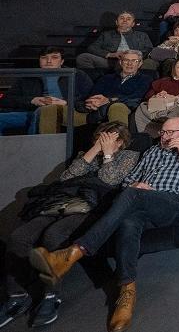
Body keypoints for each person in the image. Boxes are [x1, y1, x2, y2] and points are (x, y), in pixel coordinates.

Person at [29, 116, 179, 332]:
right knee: (128, 221)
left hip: (172, 203)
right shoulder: (152, 152)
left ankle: (74, 252)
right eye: (163, 132)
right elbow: (127, 180)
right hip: (140, 203)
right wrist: (136, 184)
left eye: (170, 132)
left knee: (132, 196)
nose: (164, 137)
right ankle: (127, 293)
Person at [0, 123, 138, 329]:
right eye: (99, 137)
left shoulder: (129, 156)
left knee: (54, 235)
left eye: (108, 138)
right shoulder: (87, 155)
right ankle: (17, 294)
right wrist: (94, 150)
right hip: (62, 203)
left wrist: (108, 154)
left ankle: (50, 295)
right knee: (19, 237)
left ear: (120, 142)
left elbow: (109, 180)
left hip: (93, 207)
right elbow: (65, 178)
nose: (102, 141)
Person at [0, 46, 92, 136]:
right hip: (33, 112)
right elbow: (7, 100)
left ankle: (37, 145)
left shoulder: (77, 75)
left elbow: (90, 98)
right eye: (44, 58)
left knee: (46, 112)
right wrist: (32, 100)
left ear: (62, 61)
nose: (49, 61)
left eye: (54, 57)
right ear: (39, 60)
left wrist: (66, 102)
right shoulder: (28, 77)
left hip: (68, 111)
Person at [133, 58, 179, 136]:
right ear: (173, 70)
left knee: (178, 110)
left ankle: (168, 133)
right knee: (142, 107)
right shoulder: (162, 81)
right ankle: (148, 135)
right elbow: (148, 96)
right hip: (159, 108)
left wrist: (178, 98)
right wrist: (157, 96)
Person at [82, 52, 152, 127]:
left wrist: (109, 100)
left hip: (126, 108)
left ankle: (117, 134)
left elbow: (136, 98)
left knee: (117, 107)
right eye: (126, 60)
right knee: (73, 112)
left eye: (134, 61)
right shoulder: (106, 78)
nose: (129, 63)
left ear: (140, 63)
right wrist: (93, 102)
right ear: (121, 62)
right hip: (98, 109)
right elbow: (94, 94)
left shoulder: (145, 79)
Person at [76, 12, 153, 71]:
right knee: (83, 57)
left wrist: (131, 56)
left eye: (128, 19)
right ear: (116, 22)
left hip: (134, 61)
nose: (125, 20)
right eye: (122, 18)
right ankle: (96, 82)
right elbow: (92, 48)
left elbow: (149, 49)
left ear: (133, 24)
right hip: (110, 61)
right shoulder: (106, 35)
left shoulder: (142, 35)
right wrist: (111, 54)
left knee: (150, 62)